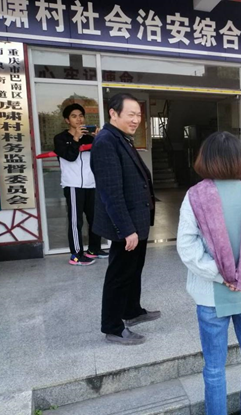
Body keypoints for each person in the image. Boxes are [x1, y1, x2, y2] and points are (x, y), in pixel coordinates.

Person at [177, 131, 241, 415]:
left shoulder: (195, 196)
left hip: (210, 296)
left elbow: (187, 247)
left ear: (205, 159)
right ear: (240, 159)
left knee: (214, 368)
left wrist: (220, 274)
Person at [91, 93, 160, 346]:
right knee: (119, 274)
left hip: (136, 220)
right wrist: (126, 229)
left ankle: (131, 310)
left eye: (138, 115)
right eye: (131, 114)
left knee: (133, 269)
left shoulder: (121, 138)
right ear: (113, 113)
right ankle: (112, 326)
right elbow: (111, 192)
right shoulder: (106, 142)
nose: (136, 120)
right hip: (126, 225)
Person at [53, 103, 106, 266]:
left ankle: (94, 250)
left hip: (92, 184)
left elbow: (102, 157)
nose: (79, 119)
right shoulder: (60, 139)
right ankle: (76, 255)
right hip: (73, 185)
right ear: (67, 120)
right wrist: (75, 139)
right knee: (76, 221)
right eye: (74, 116)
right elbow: (70, 156)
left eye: (81, 116)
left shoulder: (89, 138)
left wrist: (99, 139)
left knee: (95, 219)